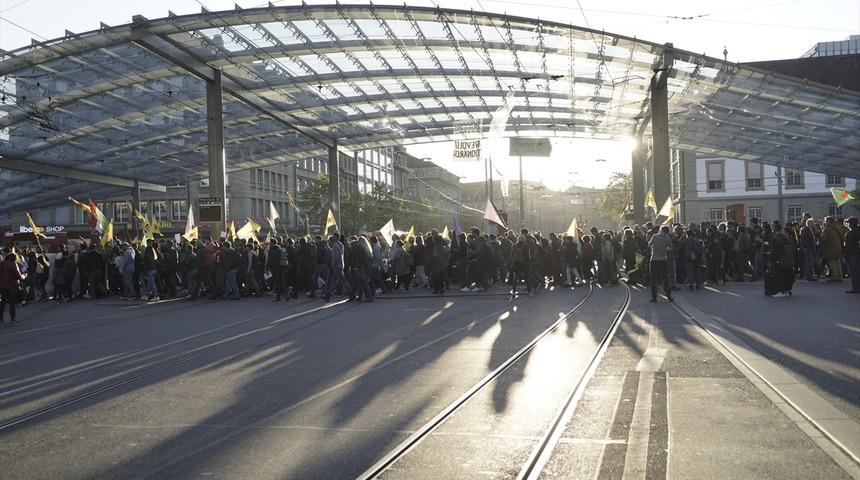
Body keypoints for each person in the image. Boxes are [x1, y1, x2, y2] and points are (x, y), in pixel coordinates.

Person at [649, 225, 673, 303]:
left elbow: (649, 244)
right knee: (665, 278)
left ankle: (654, 297)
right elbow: (670, 248)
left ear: (660, 230)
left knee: (653, 279)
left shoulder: (654, 236)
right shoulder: (667, 239)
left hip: (654, 259)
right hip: (663, 259)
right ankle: (669, 296)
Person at [0, 252, 23, 324]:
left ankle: (1, 318)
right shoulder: (13, 264)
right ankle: (12, 318)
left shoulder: (1, 263)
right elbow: (17, 275)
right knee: (12, 303)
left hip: (2, 285)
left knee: (2, 302)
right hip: (12, 285)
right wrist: (23, 276)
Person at [820, 216, 845, 282]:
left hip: (830, 247)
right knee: (838, 261)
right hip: (838, 247)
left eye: (825, 221)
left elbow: (824, 239)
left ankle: (835, 276)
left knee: (832, 262)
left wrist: (821, 247)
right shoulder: (838, 227)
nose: (825, 222)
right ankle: (839, 276)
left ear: (828, 221)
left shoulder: (828, 229)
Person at [844, 217, 860, 294]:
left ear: (850, 224)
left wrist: (845, 256)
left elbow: (848, 246)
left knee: (853, 273)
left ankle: (856, 288)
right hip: (858, 254)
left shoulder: (849, 234)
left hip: (852, 254)